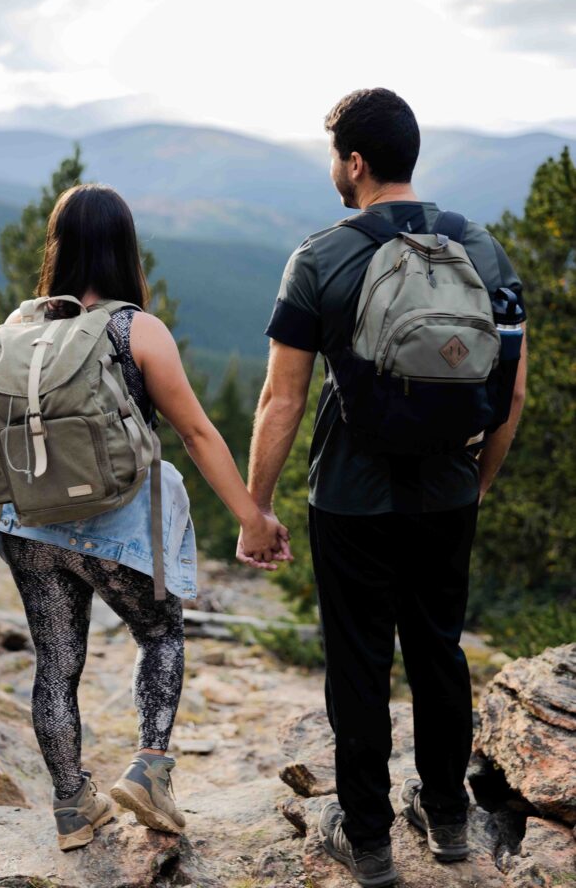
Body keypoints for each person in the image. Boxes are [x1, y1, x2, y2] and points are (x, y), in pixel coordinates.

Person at [238, 88, 528, 887]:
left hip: (348, 498)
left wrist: (256, 508)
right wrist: (477, 481)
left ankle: (366, 844)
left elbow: (281, 399)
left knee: (358, 665)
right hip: (445, 492)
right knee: (438, 651)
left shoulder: (321, 256)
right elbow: (510, 394)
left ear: (354, 163)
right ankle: (446, 821)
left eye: (335, 155)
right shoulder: (482, 249)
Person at [0, 183, 290, 852]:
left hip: (26, 523)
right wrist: (252, 519)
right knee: (160, 634)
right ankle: (148, 769)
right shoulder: (133, 328)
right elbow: (197, 434)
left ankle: (70, 809)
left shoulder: (17, 328)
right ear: (125, 248)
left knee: (55, 665)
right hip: (110, 521)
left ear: (57, 248)